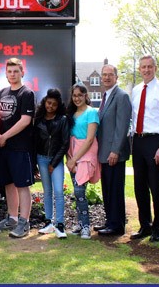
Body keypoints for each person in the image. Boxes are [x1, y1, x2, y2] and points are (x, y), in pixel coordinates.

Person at [130, 55, 159, 242]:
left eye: (150, 66)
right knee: (139, 186)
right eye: (143, 67)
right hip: (138, 141)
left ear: (155, 68)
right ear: (139, 69)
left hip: (155, 141)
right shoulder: (135, 90)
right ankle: (145, 225)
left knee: (156, 186)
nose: (146, 70)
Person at [0, 57, 36, 238]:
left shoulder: (27, 93)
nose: (12, 74)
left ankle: (24, 222)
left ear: (22, 73)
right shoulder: (2, 92)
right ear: (5, 74)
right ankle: (11, 218)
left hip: (20, 147)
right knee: (8, 184)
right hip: (3, 147)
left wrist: (4, 136)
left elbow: (25, 121)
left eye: (16, 71)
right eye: (9, 71)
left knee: (22, 185)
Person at [96, 64, 131, 237]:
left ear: (116, 77)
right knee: (107, 189)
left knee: (115, 190)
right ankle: (110, 221)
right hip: (104, 153)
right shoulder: (106, 96)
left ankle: (117, 225)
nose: (107, 77)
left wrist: (115, 151)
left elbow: (122, 126)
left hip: (114, 154)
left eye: (110, 75)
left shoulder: (121, 96)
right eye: (104, 75)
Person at [33, 88, 69, 239]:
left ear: (58, 105)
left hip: (56, 160)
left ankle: (59, 225)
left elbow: (65, 143)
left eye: (54, 104)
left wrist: (53, 163)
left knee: (59, 192)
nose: (50, 106)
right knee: (47, 191)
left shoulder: (63, 120)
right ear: (44, 102)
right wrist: (35, 163)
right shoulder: (38, 119)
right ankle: (48, 223)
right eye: (48, 103)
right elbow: (34, 142)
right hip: (41, 158)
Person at [66, 83, 100, 240]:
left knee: (80, 191)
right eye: (74, 95)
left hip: (85, 153)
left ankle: (86, 225)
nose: (77, 98)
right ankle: (80, 223)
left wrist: (74, 159)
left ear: (86, 96)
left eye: (80, 95)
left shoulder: (92, 112)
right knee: (76, 191)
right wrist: (69, 158)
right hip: (72, 153)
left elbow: (90, 139)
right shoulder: (71, 114)